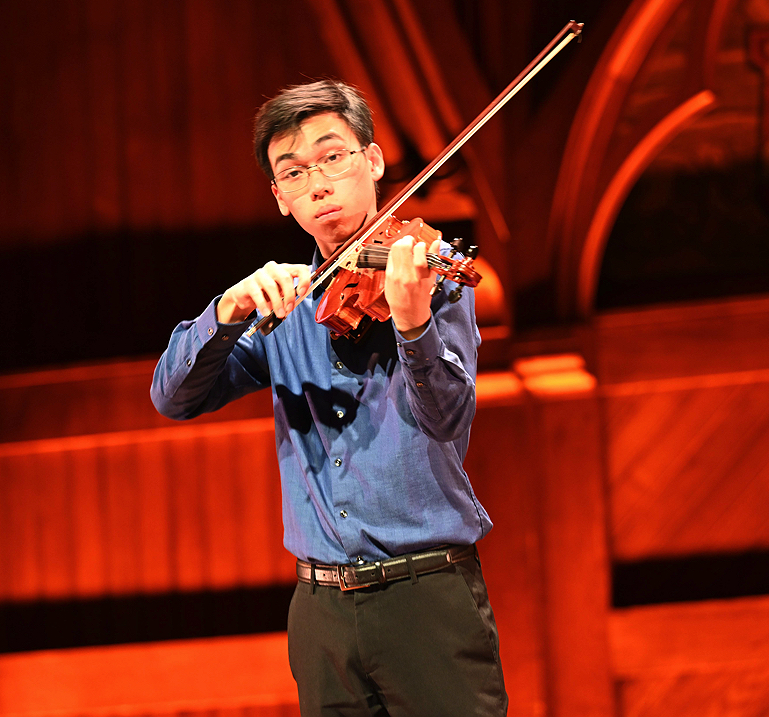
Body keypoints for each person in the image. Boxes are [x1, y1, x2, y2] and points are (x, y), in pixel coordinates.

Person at [150, 80, 506, 715]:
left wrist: (414, 325)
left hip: (426, 595)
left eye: (333, 156)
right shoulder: (285, 307)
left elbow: (449, 418)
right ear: (281, 198)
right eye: (294, 171)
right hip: (321, 611)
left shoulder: (428, 271)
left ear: (372, 162)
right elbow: (173, 397)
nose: (317, 183)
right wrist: (225, 312)